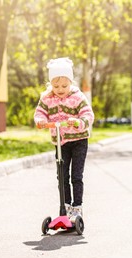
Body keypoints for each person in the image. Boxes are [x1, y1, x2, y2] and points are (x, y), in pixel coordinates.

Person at [34, 57, 94, 222]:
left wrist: (78, 122)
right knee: (61, 175)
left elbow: (88, 115)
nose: (60, 89)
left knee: (76, 175)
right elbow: (40, 112)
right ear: (50, 84)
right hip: (60, 143)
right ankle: (65, 206)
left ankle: (77, 207)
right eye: (56, 86)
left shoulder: (77, 96)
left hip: (79, 140)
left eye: (64, 86)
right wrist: (40, 120)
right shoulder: (47, 97)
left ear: (71, 82)